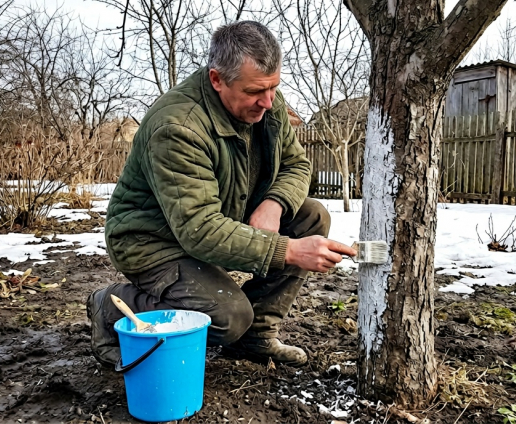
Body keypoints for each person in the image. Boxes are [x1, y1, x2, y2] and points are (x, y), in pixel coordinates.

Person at [87, 21, 356, 368]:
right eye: (255, 91)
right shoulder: (178, 127)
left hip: (221, 215)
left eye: (274, 87)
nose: (268, 102)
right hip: (152, 239)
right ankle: (111, 306)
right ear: (217, 79)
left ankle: (255, 338)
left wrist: (274, 205)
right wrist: (287, 250)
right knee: (227, 316)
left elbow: (297, 165)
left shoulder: (265, 100)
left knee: (311, 216)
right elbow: (199, 228)